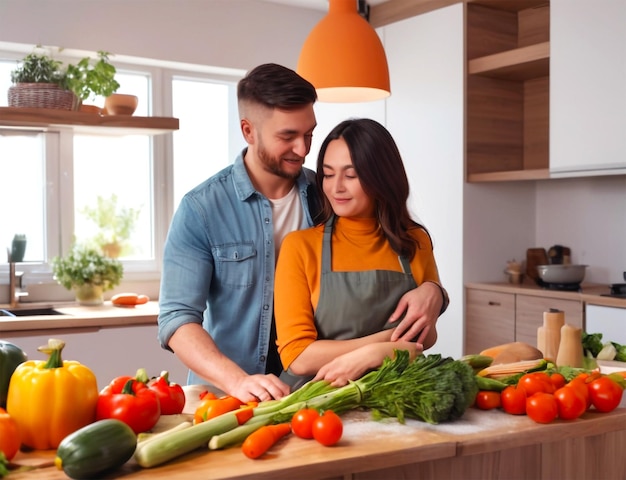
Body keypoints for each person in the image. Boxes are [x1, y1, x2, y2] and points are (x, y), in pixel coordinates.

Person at [157, 63, 319, 403]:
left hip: (313, 394)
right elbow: (177, 319)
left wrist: (431, 291)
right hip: (226, 399)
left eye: (309, 134)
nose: (303, 150)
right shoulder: (201, 208)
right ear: (249, 131)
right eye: (287, 136)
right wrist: (238, 381)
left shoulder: (327, 196)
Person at [274, 118, 449, 389]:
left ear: (381, 177)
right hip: (317, 400)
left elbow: (426, 335)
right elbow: (297, 356)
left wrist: (434, 292)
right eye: (328, 174)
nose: (336, 187)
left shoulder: (414, 241)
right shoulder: (300, 247)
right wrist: (378, 352)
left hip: (396, 394)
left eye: (351, 175)